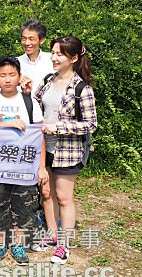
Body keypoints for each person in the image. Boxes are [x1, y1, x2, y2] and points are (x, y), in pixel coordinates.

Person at [0, 56, 47, 265]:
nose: (7, 80)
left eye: (12, 75)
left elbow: (39, 136)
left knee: (23, 207)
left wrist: (42, 167)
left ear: (19, 77)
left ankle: (17, 245)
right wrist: (9, 124)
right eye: (2, 76)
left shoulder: (29, 102)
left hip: (25, 166)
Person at [34, 36, 97, 264]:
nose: (53, 57)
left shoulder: (82, 88)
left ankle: (64, 245)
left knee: (63, 197)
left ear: (73, 58)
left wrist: (58, 126)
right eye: (52, 52)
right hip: (45, 149)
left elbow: (90, 124)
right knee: (46, 193)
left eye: (59, 54)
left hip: (68, 151)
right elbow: (34, 104)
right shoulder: (47, 81)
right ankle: (51, 235)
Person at [17, 19, 54, 95]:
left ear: (42, 40)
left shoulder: (52, 60)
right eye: (24, 39)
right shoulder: (16, 63)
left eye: (31, 39)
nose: (27, 43)